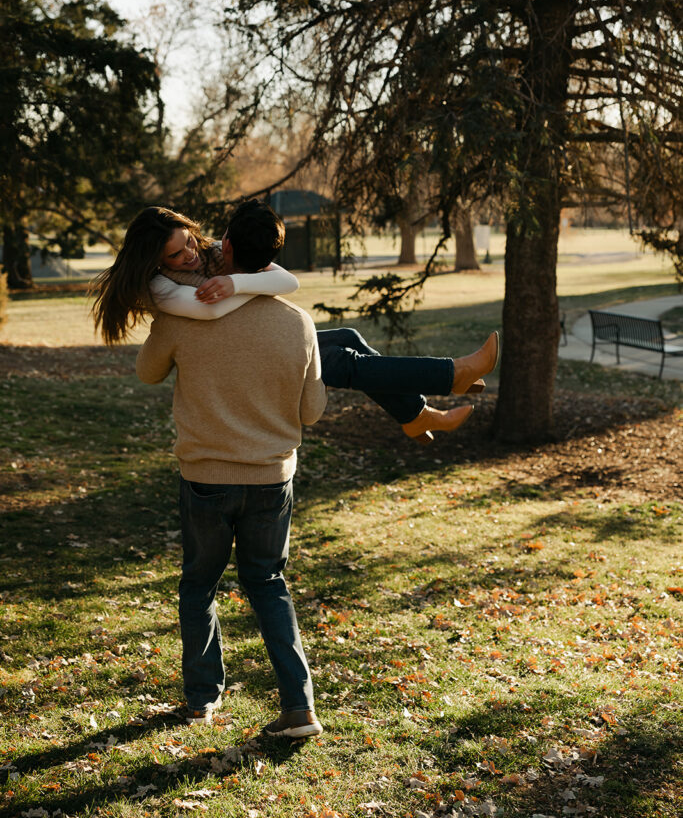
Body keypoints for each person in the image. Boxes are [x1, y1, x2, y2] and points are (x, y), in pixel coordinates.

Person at [92, 203, 499, 443]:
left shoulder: (214, 255)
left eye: (190, 242)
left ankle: (416, 414)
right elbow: (209, 310)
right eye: (177, 254)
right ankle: (449, 376)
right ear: (155, 261)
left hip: (251, 343)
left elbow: (288, 280)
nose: (191, 256)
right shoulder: (159, 287)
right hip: (235, 356)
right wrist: (248, 284)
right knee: (346, 362)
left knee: (348, 338)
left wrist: (235, 281)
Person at [136, 266, 327, 736]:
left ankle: (202, 699)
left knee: (200, 584)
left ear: (233, 259)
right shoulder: (297, 320)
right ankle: (299, 707)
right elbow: (313, 411)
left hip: (206, 476)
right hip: (270, 477)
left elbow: (147, 372)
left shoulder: (182, 318)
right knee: (267, 582)